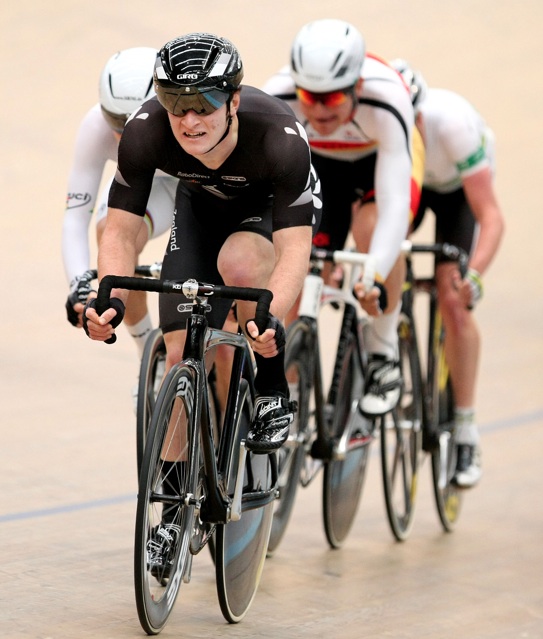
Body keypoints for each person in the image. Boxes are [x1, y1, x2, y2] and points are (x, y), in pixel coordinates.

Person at [83, 33, 320, 456]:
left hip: (265, 207)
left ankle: (270, 385)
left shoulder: (279, 139)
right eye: (174, 103)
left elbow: (295, 249)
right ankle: (172, 501)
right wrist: (110, 298)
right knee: (179, 357)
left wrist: (271, 316)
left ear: (233, 101)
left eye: (203, 104)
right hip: (201, 207)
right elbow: (118, 232)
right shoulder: (144, 131)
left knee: (242, 263)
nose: (189, 120)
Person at [263, 19, 424, 417]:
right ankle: (288, 394)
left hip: (376, 167)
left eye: (333, 100)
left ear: (358, 87)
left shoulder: (387, 99)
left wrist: (373, 273)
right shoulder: (276, 95)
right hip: (321, 167)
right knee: (294, 262)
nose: (318, 110)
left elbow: (393, 206)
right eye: (309, 96)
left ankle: (382, 352)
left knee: (373, 228)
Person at [391, 59, 505, 488]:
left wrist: (473, 276)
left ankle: (465, 426)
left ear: (420, 114)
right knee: (388, 262)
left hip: (459, 191)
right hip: (412, 183)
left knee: (453, 299)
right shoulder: (382, 129)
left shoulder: (453, 126)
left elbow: (491, 217)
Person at [62, 47, 177, 362]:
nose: (128, 134)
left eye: (139, 120)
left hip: (193, 187)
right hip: (148, 188)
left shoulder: (187, 123)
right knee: (110, 234)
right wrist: (79, 285)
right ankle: (147, 354)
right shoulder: (94, 126)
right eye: (116, 121)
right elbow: (75, 216)